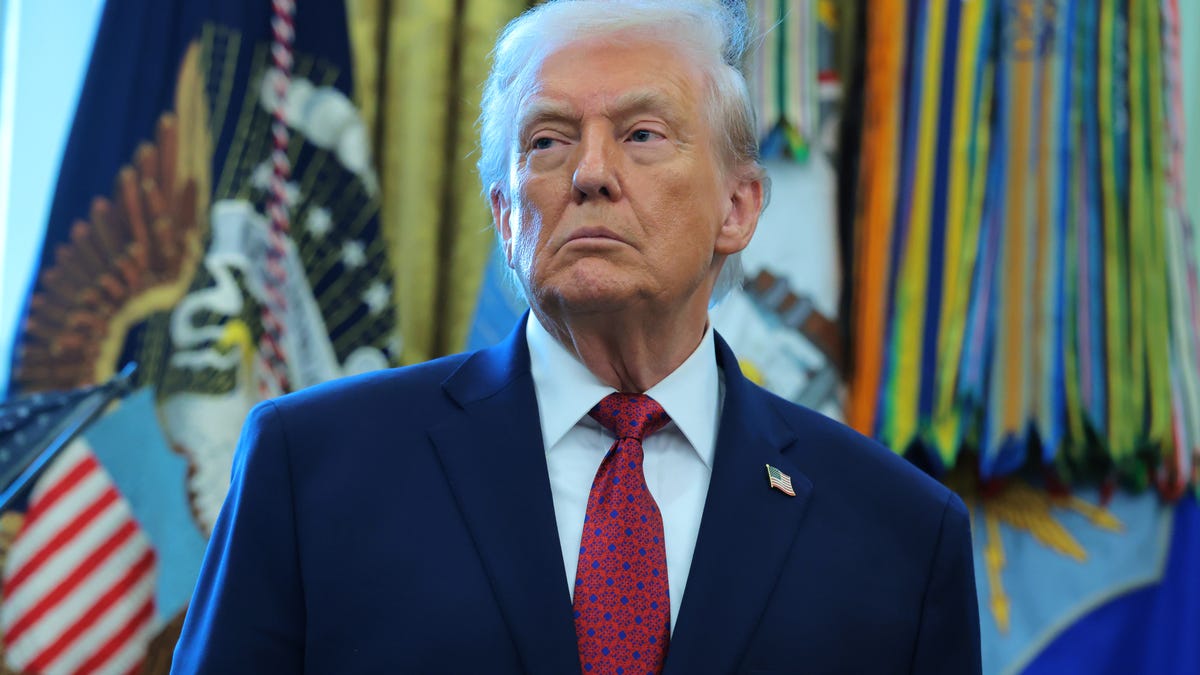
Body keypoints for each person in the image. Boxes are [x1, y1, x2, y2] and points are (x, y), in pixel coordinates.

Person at [171, 1, 981, 673]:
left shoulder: (901, 533)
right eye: (548, 140)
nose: (590, 172)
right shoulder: (310, 467)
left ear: (738, 207)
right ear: (504, 212)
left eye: (641, 135)